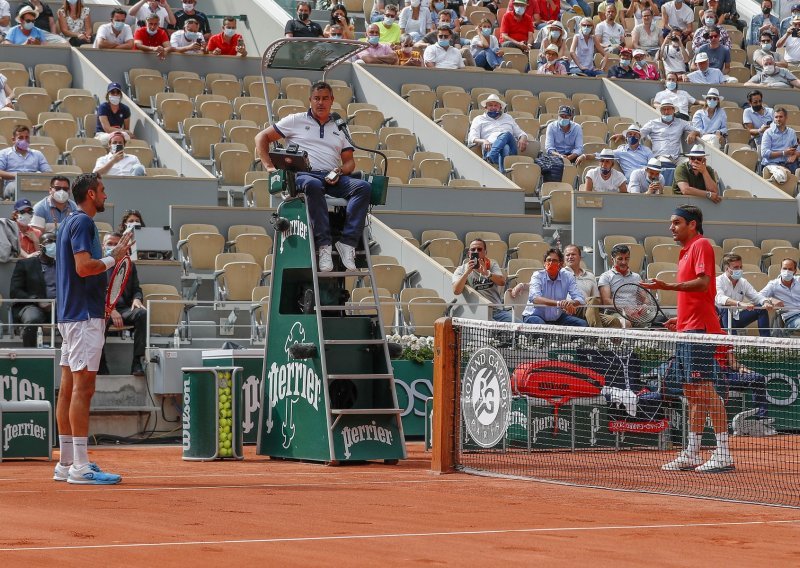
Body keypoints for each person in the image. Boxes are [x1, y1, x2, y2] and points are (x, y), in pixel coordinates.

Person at [641, 205, 732, 473]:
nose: (671, 227)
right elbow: (693, 297)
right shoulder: (683, 253)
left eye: (677, 222)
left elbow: (703, 284)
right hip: (687, 330)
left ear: (692, 224)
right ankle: (692, 452)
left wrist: (667, 287)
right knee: (692, 394)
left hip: (701, 331)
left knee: (704, 390)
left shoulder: (701, 244)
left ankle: (723, 453)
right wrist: (679, 322)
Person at [53, 172, 131, 485]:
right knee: (83, 389)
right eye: (101, 191)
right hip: (84, 317)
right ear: (90, 194)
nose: (105, 195)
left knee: (69, 388)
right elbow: (84, 267)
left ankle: (67, 462)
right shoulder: (83, 222)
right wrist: (114, 258)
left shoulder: (67, 222)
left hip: (71, 315)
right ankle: (80, 467)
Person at [255, 81, 371, 273]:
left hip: (331, 176)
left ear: (332, 100)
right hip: (302, 175)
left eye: (325, 98)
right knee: (312, 184)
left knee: (363, 187)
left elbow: (350, 162)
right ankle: (324, 246)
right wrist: (270, 168)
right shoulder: (295, 120)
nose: (320, 102)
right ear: (310, 100)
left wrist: (339, 171)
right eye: (316, 98)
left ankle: (347, 243)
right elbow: (262, 137)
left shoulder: (340, 127)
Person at [99, 232, 146, 376]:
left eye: (116, 244)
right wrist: (109, 309)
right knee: (101, 320)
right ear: (103, 245)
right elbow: (93, 293)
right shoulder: (98, 264)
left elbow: (136, 289)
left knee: (142, 314)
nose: (112, 247)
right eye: (109, 243)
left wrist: (137, 299)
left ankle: (137, 362)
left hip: (124, 308)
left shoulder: (129, 265)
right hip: (103, 308)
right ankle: (100, 365)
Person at [511, 247, 588, 327]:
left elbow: (580, 298)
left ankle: (566, 340)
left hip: (557, 318)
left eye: (554, 261)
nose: (551, 263)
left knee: (582, 324)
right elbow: (535, 298)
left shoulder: (568, 276)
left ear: (561, 264)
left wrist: (570, 303)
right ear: (544, 263)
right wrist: (559, 303)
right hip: (534, 316)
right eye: (548, 260)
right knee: (542, 327)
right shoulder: (537, 276)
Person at [10, 231, 56, 347]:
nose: (54, 244)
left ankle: (72, 358)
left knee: (77, 318)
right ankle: (30, 357)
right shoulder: (25, 264)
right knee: (32, 319)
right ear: (41, 246)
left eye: (55, 242)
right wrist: (37, 300)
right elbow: (15, 291)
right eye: (49, 242)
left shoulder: (62, 266)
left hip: (59, 306)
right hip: (32, 305)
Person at [452, 238, 514, 322]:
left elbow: (502, 282)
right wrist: (467, 273)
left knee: (520, 326)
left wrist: (487, 273)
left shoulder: (492, 265)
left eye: (479, 249)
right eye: (473, 249)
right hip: (477, 313)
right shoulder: (461, 269)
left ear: (485, 252)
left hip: (497, 311)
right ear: (469, 253)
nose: (476, 251)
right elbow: (456, 291)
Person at [638, 101, 699, 184]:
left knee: (692, 165)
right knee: (667, 166)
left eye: (669, 109)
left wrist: (694, 133)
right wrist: (623, 135)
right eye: (664, 109)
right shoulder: (652, 123)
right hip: (661, 156)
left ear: (673, 110)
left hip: (677, 157)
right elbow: (638, 134)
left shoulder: (680, 122)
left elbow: (698, 130)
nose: (666, 112)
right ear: (660, 111)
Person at [467, 94, 529, 173]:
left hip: (511, 150)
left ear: (500, 107)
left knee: (507, 134)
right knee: (504, 147)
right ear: (485, 107)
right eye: (490, 105)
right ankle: (501, 170)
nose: (493, 107)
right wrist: (484, 141)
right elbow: (472, 138)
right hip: (490, 147)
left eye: (496, 105)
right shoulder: (479, 119)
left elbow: (520, 133)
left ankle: (491, 157)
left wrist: (523, 138)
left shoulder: (508, 118)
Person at [715, 253, 772, 336]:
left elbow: (756, 296)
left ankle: (767, 342)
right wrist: (739, 303)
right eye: (736, 267)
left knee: (761, 308)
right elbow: (720, 298)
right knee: (726, 308)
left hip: (736, 317)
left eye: (740, 267)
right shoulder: (718, 280)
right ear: (727, 268)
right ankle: (733, 345)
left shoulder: (743, 282)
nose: (739, 270)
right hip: (719, 319)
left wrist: (765, 302)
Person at [597, 244, 643, 328]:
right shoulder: (606, 276)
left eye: (627, 258)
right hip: (614, 312)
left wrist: (641, 308)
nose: (624, 262)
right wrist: (625, 309)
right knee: (626, 323)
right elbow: (606, 302)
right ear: (612, 259)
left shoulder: (637, 277)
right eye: (620, 259)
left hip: (634, 313)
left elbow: (645, 299)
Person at [0, 125, 52, 199]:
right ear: (13, 139)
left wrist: (37, 176)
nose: (24, 140)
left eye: (26, 137)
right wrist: (17, 176)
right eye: (20, 138)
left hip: (34, 183)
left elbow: (48, 172)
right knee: (16, 188)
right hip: (13, 183)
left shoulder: (37, 154)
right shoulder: (4, 153)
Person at [563, 243, 599, 325]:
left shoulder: (590, 275)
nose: (570, 257)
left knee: (613, 321)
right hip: (569, 310)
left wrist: (589, 304)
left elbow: (597, 299)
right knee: (591, 301)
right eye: (567, 255)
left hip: (588, 309)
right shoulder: (560, 275)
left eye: (573, 254)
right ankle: (598, 336)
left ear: (580, 257)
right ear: (564, 258)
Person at [760, 258, 800, 331]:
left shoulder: (799, 280)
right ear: (780, 270)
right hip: (791, 318)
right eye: (784, 268)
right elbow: (758, 296)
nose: (787, 271)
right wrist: (770, 299)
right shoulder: (773, 285)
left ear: (795, 271)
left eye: (790, 269)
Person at [760, 107, 798, 173]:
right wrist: (783, 153)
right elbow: (764, 153)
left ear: (786, 118)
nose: (778, 119)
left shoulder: (792, 132)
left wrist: (795, 155)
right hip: (772, 163)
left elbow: (797, 148)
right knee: (782, 173)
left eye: (780, 117)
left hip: (788, 163)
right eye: (776, 117)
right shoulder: (768, 132)